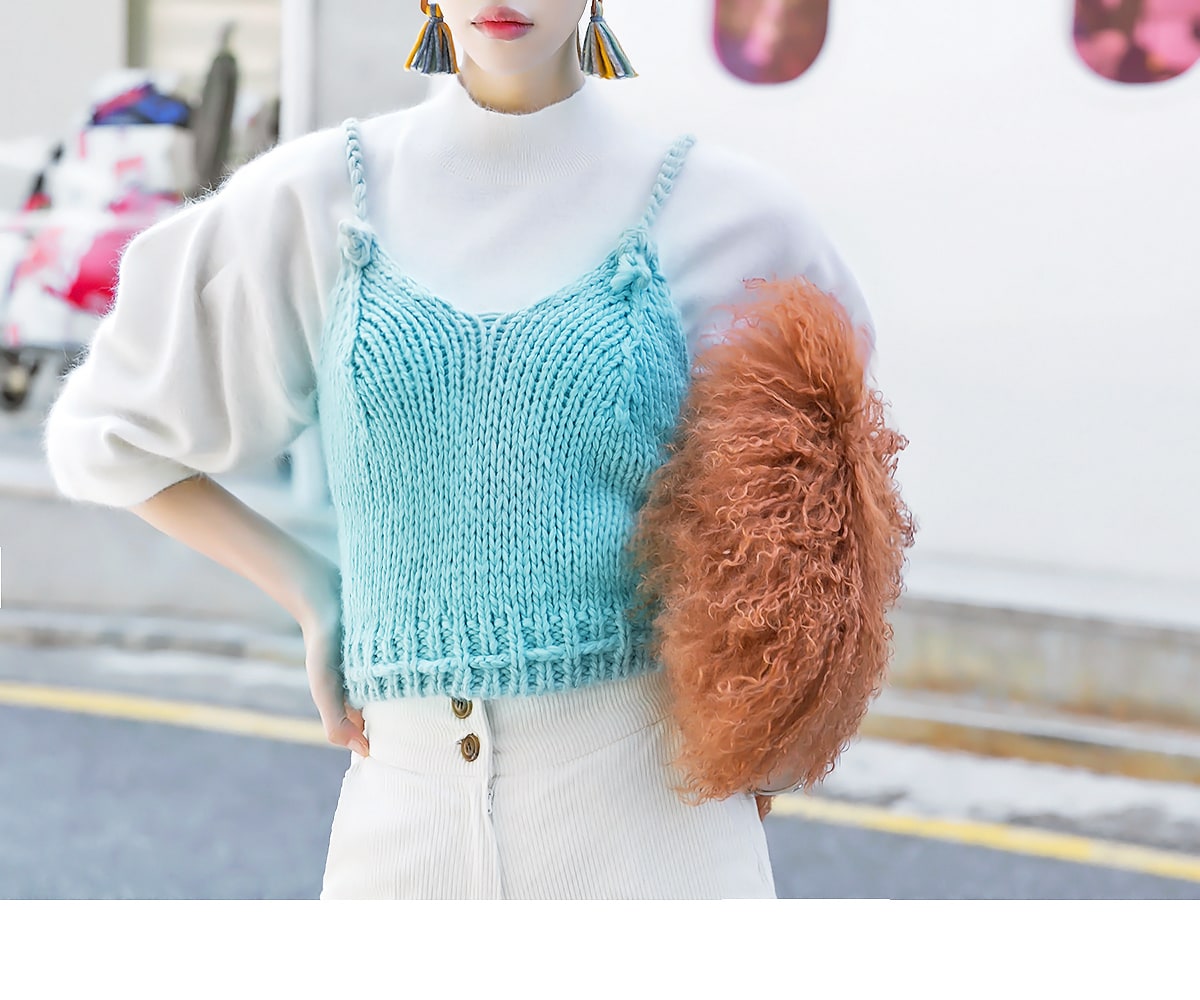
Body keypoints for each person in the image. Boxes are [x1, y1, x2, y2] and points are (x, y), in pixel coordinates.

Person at [41, 1, 876, 899]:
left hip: (655, 831)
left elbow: (828, 528)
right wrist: (315, 592)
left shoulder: (738, 218)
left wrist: (764, 726)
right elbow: (106, 435)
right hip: (402, 835)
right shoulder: (314, 199)